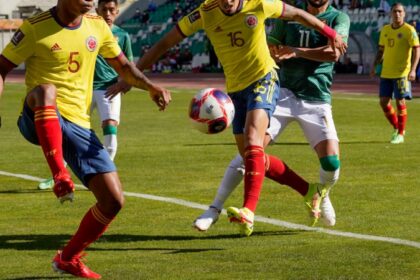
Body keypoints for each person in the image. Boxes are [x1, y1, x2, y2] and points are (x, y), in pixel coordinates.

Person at [108, 0, 346, 236]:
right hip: (236, 90)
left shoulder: (260, 3)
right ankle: (309, 190)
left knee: (254, 138)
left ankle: (248, 212)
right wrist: (131, 77)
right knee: (251, 157)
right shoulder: (205, 12)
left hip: (265, 78)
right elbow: (164, 44)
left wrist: (330, 32)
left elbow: (297, 14)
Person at [0, 0, 171, 278]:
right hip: (38, 117)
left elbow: (124, 65)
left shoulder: (98, 26)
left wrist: (150, 86)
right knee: (45, 90)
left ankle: (68, 257)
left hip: (78, 125)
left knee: (113, 200)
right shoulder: (35, 27)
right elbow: (1, 67)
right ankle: (59, 175)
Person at [193, 0, 350, 232]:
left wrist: (296, 51)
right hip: (282, 93)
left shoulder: (338, 19)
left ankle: (321, 194)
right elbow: (272, 47)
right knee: (249, 151)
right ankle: (214, 209)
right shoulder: (288, 16)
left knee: (331, 163)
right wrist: (271, 53)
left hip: (316, 98)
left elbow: (335, 52)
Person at [38, 0, 134, 190]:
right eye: (104, 9)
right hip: (84, 89)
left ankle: (104, 174)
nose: (108, 13)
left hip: (109, 89)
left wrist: (124, 84)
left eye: (112, 10)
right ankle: (59, 174)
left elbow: (129, 66)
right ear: (97, 10)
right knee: (67, 130)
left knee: (110, 127)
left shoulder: (122, 35)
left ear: (117, 12)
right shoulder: (87, 29)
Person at [370, 3, 420, 144]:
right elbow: (381, 51)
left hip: (402, 73)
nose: (397, 14)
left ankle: (401, 134)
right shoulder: (385, 30)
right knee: (383, 102)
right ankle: (397, 127)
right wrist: (374, 67)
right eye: (394, 11)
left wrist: (413, 70)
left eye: (399, 11)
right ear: (390, 13)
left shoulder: (409, 30)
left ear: (404, 14)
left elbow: (417, 50)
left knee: (400, 102)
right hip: (386, 72)